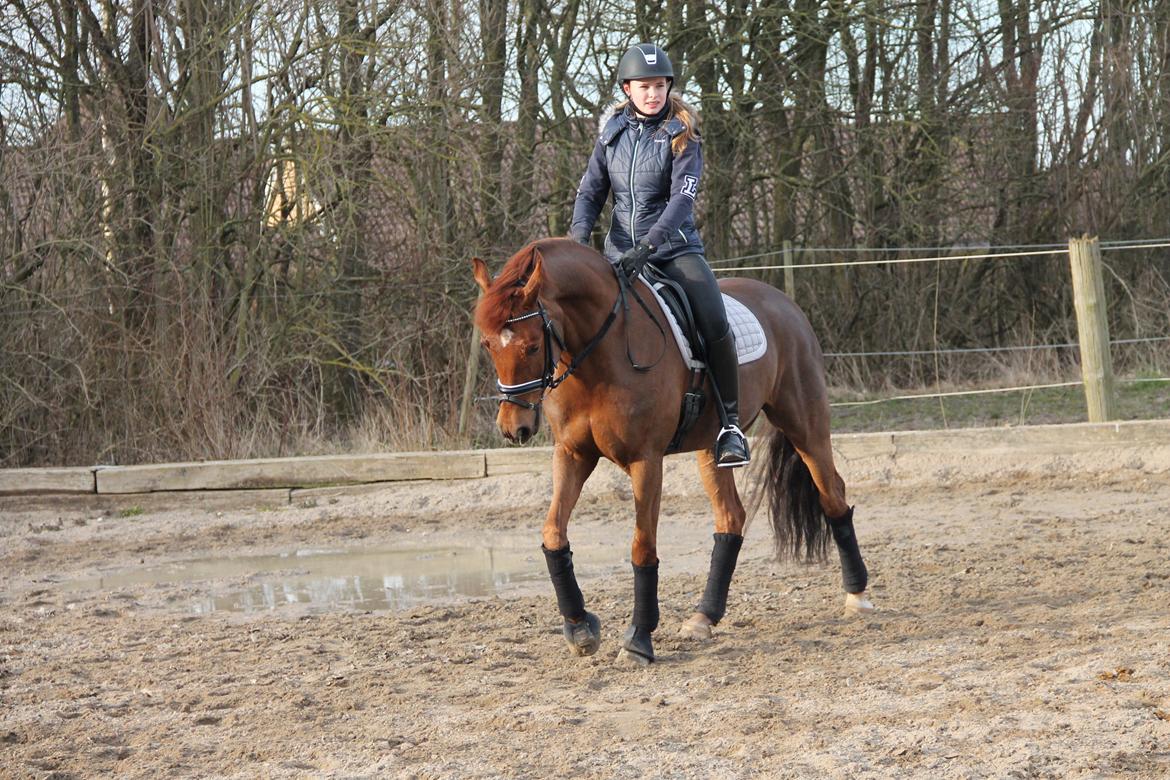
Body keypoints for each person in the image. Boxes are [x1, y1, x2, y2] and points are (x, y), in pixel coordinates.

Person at [568, 42, 750, 467]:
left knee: (714, 319)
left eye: (660, 85)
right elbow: (590, 192)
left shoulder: (684, 136)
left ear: (669, 87)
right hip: (617, 254)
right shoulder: (610, 135)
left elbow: (681, 202)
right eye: (645, 86)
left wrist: (648, 245)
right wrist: (579, 242)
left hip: (673, 250)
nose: (653, 93)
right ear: (627, 88)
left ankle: (731, 427)